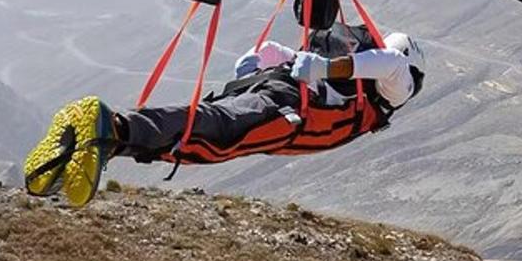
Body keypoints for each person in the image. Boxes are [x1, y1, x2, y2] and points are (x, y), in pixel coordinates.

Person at [23, 27, 426, 207]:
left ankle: (96, 144)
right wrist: (324, 68)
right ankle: (109, 128)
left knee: (211, 132)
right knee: (214, 134)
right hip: (290, 110)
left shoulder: (359, 82)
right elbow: (391, 63)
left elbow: (275, 52)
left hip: (282, 97)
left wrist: (257, 63)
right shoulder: (395, 84)